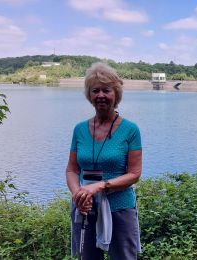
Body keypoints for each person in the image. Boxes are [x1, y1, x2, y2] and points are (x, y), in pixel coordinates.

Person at [66, 62, 142, 259]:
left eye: (106, 90)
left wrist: (98, 186)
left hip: (120, 207)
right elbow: (72, 170)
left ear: (115, 94)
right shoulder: (79, 129)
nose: (100, 95)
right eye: (95, 90)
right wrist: (78, 194)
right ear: (89, 95)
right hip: (86, 207)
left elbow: (134, 174)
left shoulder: (130, 130)